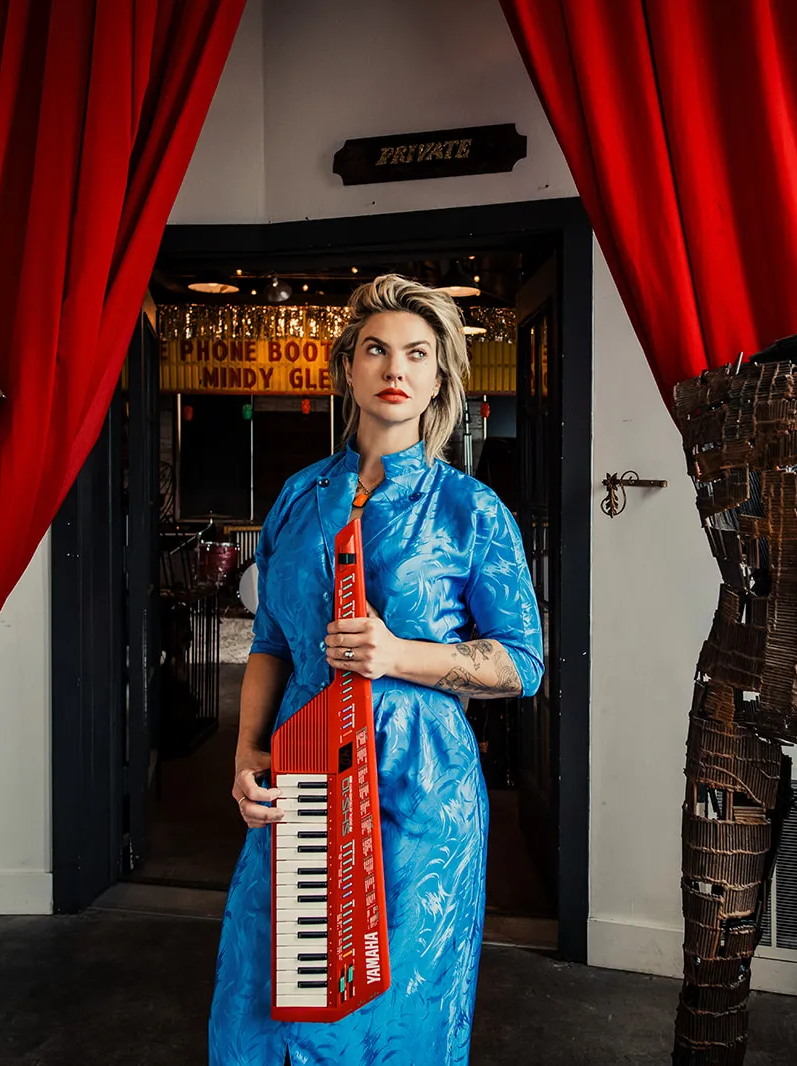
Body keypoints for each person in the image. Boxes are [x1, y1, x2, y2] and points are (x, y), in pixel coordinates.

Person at [208, 275, 545, 1065]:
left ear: (438, 380)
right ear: (349, 370)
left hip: (419, 789)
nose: (397, 366)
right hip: (301, 770)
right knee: (268, 980)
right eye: (378, 350)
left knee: (394, 1002)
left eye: (418, 354)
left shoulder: (473, 511)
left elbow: (522, 662)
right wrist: (247, 749)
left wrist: (400, 656)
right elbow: (270, 641)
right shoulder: (298, 497)